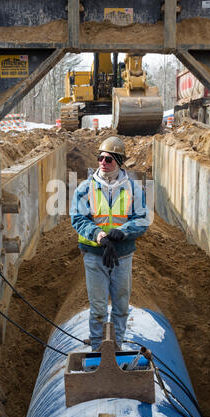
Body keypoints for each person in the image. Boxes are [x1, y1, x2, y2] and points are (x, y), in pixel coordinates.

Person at [70, 136, 150, 351]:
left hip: (122, 256)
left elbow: (142, 219)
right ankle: (98, 350)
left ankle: (116, 348)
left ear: (119, 162)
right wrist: (98, 235)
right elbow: (78, 218)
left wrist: (121, 233)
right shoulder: (85, 188)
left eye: (108, 159)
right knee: (97, 308)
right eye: (100, 158)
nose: (103, 163)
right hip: (95, 256)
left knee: (121, 306)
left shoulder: (134, 189)